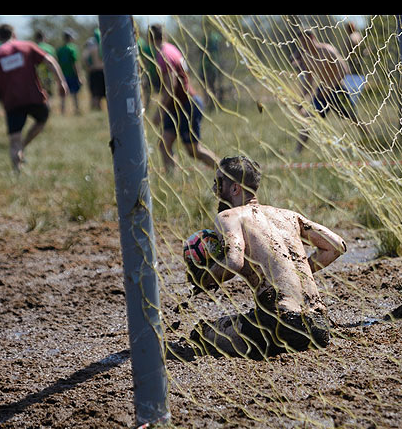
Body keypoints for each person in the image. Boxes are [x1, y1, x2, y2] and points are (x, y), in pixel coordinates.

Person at [187, 155, 347, 359]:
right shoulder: (288, 215)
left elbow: (234, 261)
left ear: (235, 188)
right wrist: (294, 271)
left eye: (219, 183)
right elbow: (336, 246)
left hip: (280, 325)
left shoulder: (230, 215)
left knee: (202, 334)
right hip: (320, 327)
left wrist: (204, 279)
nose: (214, 189)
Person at [0, 24, 68, 172]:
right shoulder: (27, 46)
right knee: (41, 120)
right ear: (14, 34)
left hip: (12, 102)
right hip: (33, 97)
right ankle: (24, 145)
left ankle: (17, 170)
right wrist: (61, 82)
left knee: (14, 140)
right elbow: (50, 61)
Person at [149, 23, 219, 173]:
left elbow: (171, 86)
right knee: (164, 144)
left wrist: (159, 111)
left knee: (194, 151)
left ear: (150, 40)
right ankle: (173, 179)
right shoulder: (171, 48)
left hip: (187, 105)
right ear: (165, 35)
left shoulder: (163, 55)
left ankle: (226, 172)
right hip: (175, 106)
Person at [291, 28, 361, 152]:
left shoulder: (327, 50)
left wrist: (330, 88)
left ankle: (368, 138)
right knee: (308, 119)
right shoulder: (307, 57)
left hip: (337, 89)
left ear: (312, 38)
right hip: (322, 93)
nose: (303, 46)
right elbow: (308, 82)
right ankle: (297, 151)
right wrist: (301, 99)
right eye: (301, 43)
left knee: (352, 116)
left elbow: (344, 69)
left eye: (305, 42)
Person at [57, 29, 83, 115]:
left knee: (63, 95)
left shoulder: (60, 50)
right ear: (70, 38)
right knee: (75, 93)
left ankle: (62, 111)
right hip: (72, 75)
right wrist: (79, 76)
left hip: (62, 75)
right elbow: (75, 63)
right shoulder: (73, 48)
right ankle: (76, 110)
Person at [82, 28, 106, 111]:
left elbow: (84, 58)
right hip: (104, 72)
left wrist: (89, 67)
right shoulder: (104, 45)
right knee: (105, 93)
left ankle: (96, 109)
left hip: (94, 72)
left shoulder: (91, 46)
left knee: (95, 94)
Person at [34, 30, 56, 96]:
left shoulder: (34, 47)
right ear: (44, 37)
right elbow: (54, 63)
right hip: (48, 75)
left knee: (40, 94)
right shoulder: (50, 48)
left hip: (37, 76)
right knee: (49, 94)